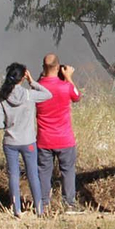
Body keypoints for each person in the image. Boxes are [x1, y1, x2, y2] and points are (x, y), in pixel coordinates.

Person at [0, 62, 51, 217]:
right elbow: (48, 94)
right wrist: (32, 82)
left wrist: (9, 124)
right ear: (22, 77)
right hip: (28, 141)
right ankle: (39, 209)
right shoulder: (28, 94)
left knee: (13, 175)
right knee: (33, 174)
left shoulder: (3, 97)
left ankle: (16, 209)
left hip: (10, 142)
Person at [35, 53, 83, 212]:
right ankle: (69, 203)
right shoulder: (66, 86)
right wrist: (68, 77)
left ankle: (43, 203)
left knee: (43, 171)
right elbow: (77, 97)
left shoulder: (37, 87)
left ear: (43, 67)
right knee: (68, 171)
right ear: (58, 67)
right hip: (64, 138)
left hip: (44, 139)